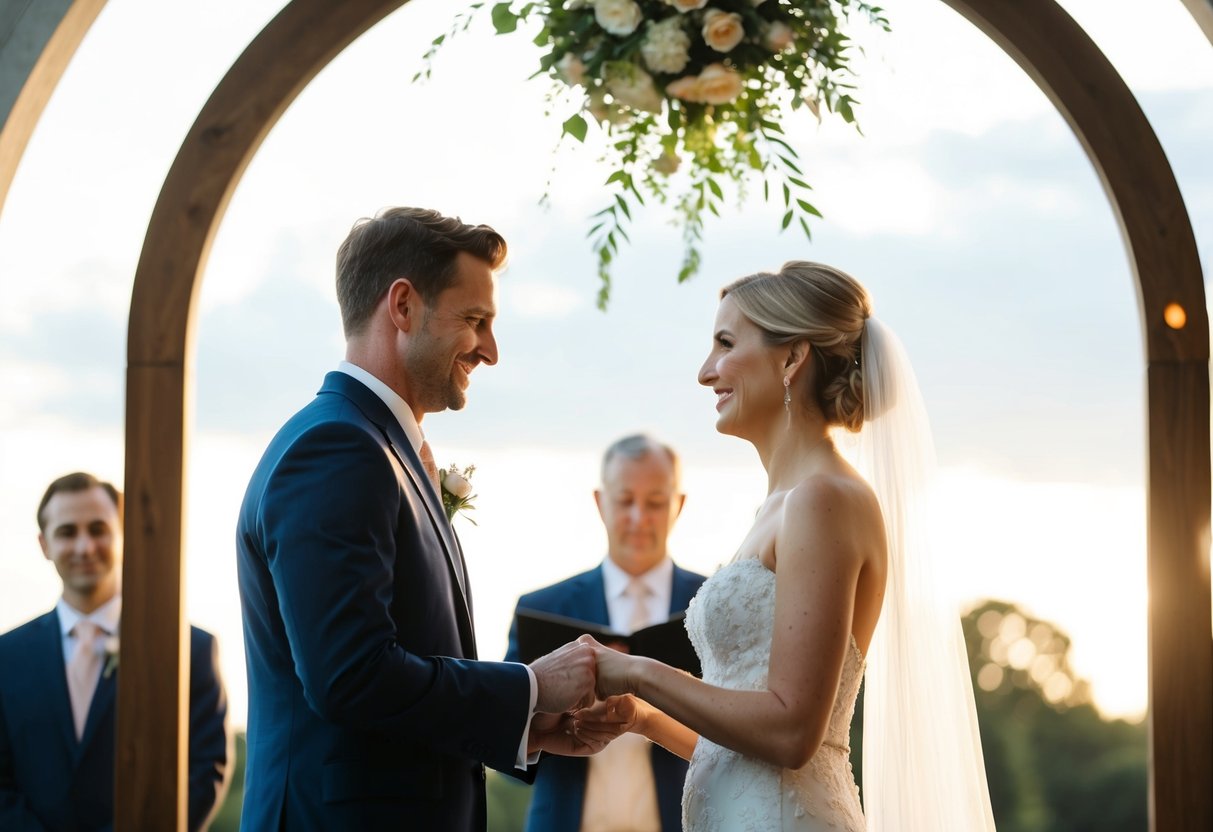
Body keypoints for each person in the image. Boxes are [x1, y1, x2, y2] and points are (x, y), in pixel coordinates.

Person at [576, 262, 997, 830]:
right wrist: (644, 718)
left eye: (726, 344)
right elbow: (746, 751)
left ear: (792, 358)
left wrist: (637, 672)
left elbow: (793, 733)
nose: (705, 372)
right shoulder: (780, 506)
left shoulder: (825, 499)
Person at [235, 207, 599, 832]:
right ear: (403, 306)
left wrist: (523, 726)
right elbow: (351, 676)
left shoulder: (374, 446)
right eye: (475, 321)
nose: (490, 351)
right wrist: (530, 687)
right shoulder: (337, 449)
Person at [0, 472, 230, 832]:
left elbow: (204, 769)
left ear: (124, 534)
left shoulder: (190, 650)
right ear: (44, 545)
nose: (84, 547)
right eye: (67, 532)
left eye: (98, 529)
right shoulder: (6, 657)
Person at [505, 434, 708, 832]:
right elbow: (505, 751)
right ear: (600, 503)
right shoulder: (543, 608)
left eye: (655, 502)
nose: (638, 517)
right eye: (625, 500)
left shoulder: (711, 607)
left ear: (679, 505)